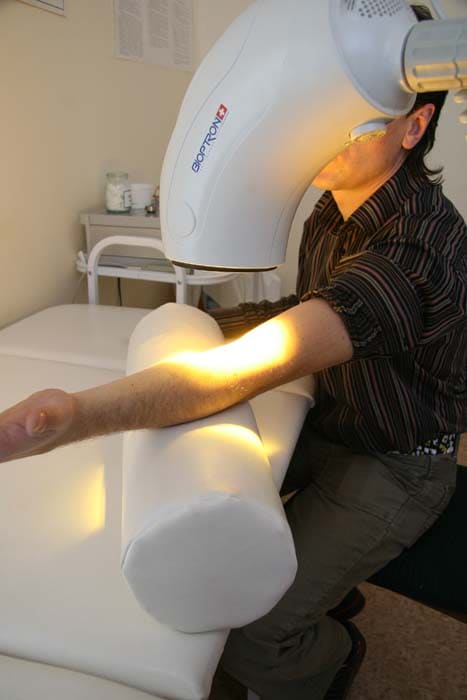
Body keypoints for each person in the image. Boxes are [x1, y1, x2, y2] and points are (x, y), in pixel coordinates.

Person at [0, 6, 465, 700]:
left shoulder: (414, 249)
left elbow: (257, 365)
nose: (324, 128)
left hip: (395, 462)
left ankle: (333, 655)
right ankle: (328, 585)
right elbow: (301, 307)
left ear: (413, 124)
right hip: (335, 422)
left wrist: (71, 415)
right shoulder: (334, 204)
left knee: (250, 636)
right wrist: (200, 322)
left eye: (354, 113)